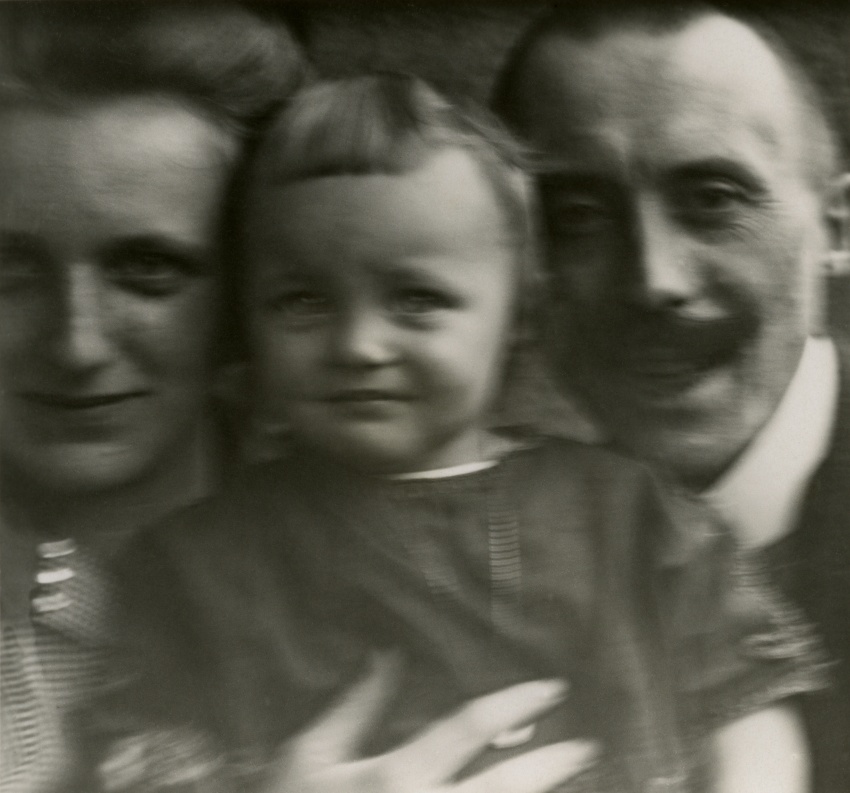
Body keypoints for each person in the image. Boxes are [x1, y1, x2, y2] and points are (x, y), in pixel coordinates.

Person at [103, 74, 826, 793]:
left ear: (519, 314)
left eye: (417, 299)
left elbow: (750, 708)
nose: (357, 344)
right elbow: (140, 766)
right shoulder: (193, 567)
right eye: (303, 300)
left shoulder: (632, 517)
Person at [491, 3, 850, 791]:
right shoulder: (477, 545)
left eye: (713, 198)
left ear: (835, 227)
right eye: (577, 217)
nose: (652, 279)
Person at [0, 4, 306, 790]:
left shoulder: (383, 562)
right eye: (11, 271)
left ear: (245, 296)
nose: (76, 344)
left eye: (148, 271)